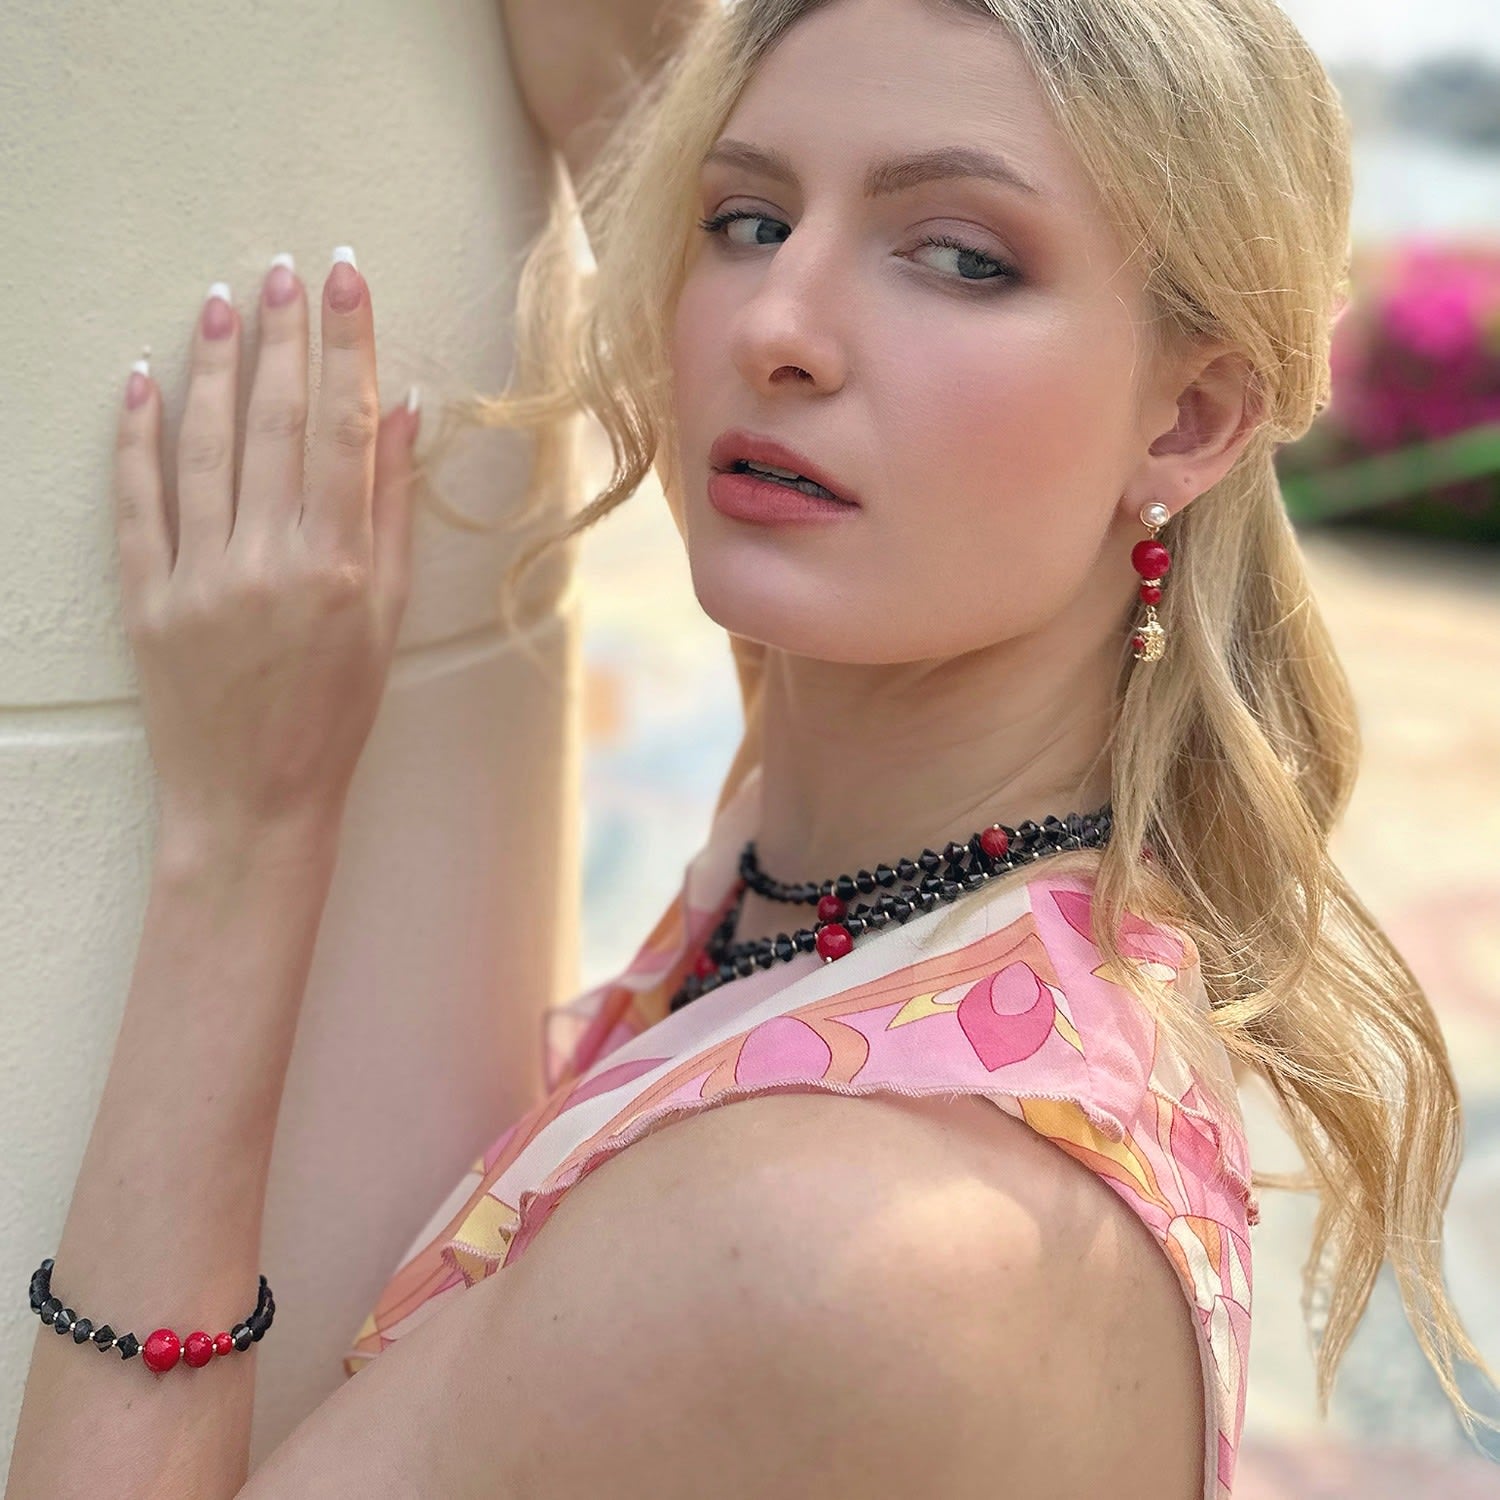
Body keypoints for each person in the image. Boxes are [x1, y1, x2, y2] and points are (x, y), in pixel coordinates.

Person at [11, 1, 1497, 1498]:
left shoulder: (839, 1239)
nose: (773, 326)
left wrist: (246, 833)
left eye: (961, 257)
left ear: (1191, 418)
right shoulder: (924, 859)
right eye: (748, 221)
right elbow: (610, 68)